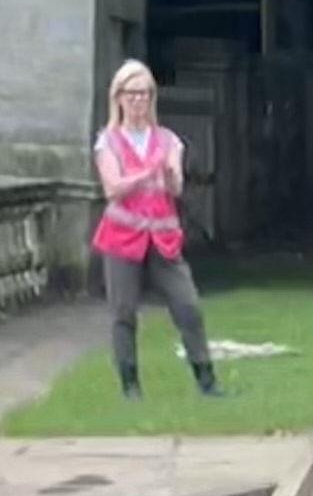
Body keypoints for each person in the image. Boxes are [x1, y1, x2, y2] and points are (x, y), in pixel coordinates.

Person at [92, 59, 220, 403]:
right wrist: (145, 174)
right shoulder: (108, 142)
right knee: (123, 313)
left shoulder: (167, 140)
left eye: (145, 94)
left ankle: (206, 380)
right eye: (132, 94)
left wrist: (169, 175)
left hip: (162, 238)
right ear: (118, 98)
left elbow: (175, 187)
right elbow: (112, 188)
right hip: (121, 239)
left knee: (188, 306)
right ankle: (130, 385)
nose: (138, 101)